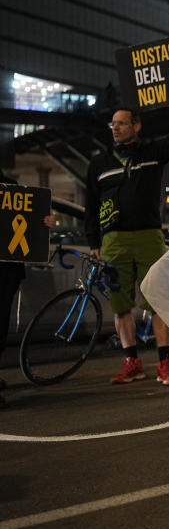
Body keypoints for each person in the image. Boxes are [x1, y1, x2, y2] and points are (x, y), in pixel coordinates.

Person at [85, 78, 169, 386]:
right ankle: (132, 363)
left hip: (148, 237)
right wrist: (93, 242)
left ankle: (165, 363)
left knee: (158, 300)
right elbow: (90, 204)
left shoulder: (153, 152)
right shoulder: (98, 163)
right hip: (113, 241)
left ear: (136, 126)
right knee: (119, 305)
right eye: (112, 124)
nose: (115, 128)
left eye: (122, 123)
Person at [0, 172, 54, 408]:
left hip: (7, 272)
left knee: (0, 327)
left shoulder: (12, 188)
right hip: (7, 271)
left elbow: (26, 221)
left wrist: (44, 222)